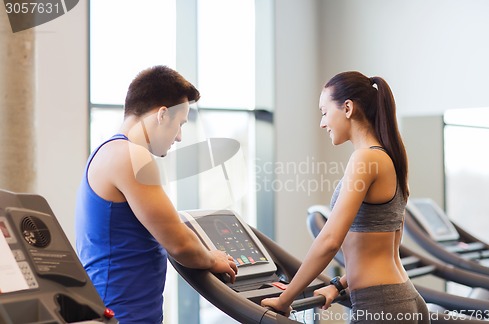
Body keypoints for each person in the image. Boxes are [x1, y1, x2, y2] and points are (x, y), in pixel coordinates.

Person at [261, 71, 429, 323]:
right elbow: (381, 247)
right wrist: (338, 285)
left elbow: (329, 239)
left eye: (324, 112)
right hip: (400, 298)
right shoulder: (387, 157)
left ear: (348, 108)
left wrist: (285, 300)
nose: (322, 122)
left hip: (381, 305)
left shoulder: (365, 159)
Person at [75, 66, 237, 324]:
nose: (180, 136)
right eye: (180, 124)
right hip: (121, 317)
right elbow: (179, 244)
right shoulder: (131, 155)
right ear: (163, 115)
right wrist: (212, 258)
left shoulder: (107, 153)